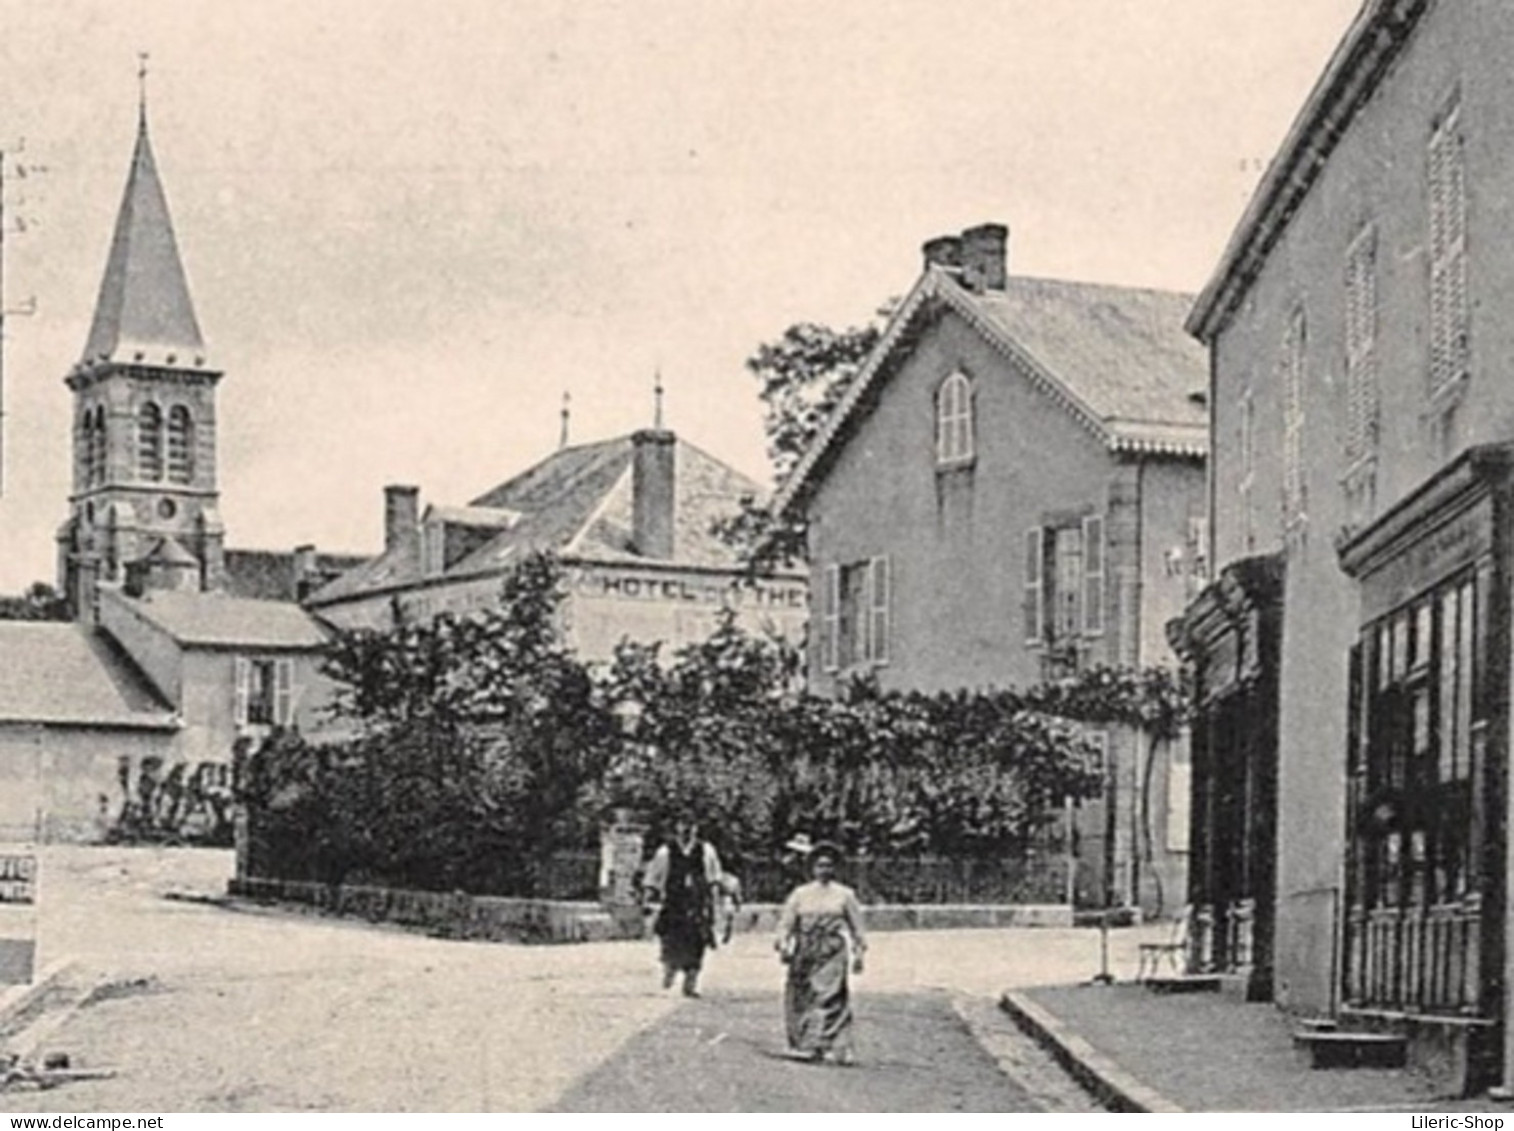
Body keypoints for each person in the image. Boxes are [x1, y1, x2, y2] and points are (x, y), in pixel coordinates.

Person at [775, 841, 866, 1063]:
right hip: (805, 950)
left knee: (830, 996)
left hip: (832, 950)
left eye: (829, 865)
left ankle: (831, 1045)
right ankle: (804, 1044)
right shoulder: (800, 894)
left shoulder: (844, 895)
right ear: (812, 869)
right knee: (802, 996)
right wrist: (783, 944)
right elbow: (786, 923)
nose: (824, 870)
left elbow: (857, 927)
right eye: (820, 865)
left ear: (835, 868)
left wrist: (859, 953)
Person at [641, 812, 723, 997]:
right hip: (674, 905)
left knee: (697, 944)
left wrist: (715, 905)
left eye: (691, 825)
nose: (687, 830)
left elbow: (714, 879)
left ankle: (690, 983)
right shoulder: (666, 852)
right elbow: (653, 878)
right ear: (676, 828)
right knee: (671, 942)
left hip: (697, 905)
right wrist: (648, 898)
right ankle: (670, 970)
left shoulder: (706, 850)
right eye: (683, 825)